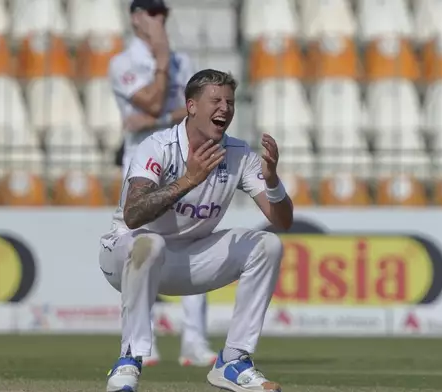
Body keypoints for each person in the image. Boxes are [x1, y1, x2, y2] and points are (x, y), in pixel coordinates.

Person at [99, 69, 292, 392]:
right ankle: (129, 358)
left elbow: (282, 220)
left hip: (187, 261)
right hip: (126, 255)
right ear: (191, 106)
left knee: (268, 245)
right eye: (215, 101)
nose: (225, 109)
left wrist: (272, 182)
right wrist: (188, 179)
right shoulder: (157, 146)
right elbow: (133, 215)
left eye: (230, 102)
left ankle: (233, 360)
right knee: (149, 243)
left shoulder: (238, 154)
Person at [108, 0, 216, 367]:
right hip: (142, 163)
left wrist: (154, 117)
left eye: (163, 14)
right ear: (136, 18)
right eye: (152, 13)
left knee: (195, 241)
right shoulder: (122, 63)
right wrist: (161, 62)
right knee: (142, 248)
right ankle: (141, 342)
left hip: (182, 157)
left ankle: (194, 343)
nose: (160, 20)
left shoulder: (183, 61)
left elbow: (175, 112)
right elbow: (153, 100)